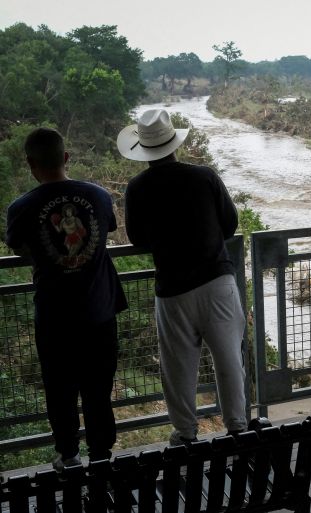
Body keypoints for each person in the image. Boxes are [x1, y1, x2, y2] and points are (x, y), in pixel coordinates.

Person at [119, 109, 247, 445]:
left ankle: (186, 433)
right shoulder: (204, 176)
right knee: (229, 358)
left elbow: (137, 240)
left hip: (173, 290)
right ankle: (237, 426)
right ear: (175, 143)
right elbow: (230, 224)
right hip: (217, 282)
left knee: (178, 368)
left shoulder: (136, 188)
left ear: (144, 150)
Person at [5, 128, 127, 470]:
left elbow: (18, 246)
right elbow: (108, 229)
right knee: (98, 390)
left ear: (30, 163)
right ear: (66, 157)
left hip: (55, 316)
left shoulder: (21, 207)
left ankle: (69, 456)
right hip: (100, 311)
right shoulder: (99, 196)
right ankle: (102, 456)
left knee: (59, 390)